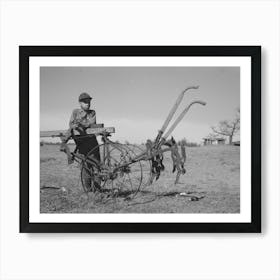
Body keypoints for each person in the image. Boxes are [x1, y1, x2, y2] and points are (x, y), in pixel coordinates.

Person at [60, 92, 101, 191]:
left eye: (89, 101)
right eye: (85, 102)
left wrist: (80, 123)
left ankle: (98, 190)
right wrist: (77, 124)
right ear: (80, 103)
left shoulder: (92, 112)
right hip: (82, 144)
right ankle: (88, 190)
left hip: (92, 142)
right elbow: (71, 124)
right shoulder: (75, 112)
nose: (88, 103)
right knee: (85, 167)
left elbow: (90, 123)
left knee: (96, 166)